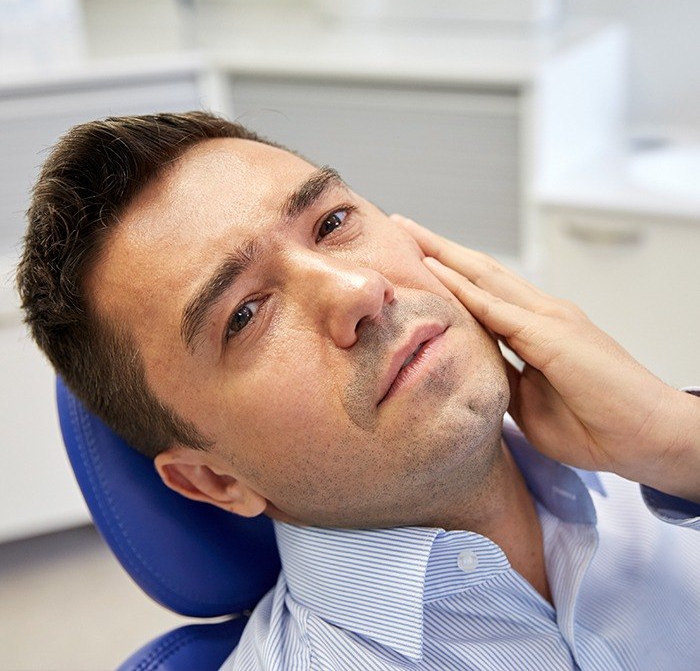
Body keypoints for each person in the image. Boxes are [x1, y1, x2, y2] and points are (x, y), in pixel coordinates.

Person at [17, 111, 700, 670]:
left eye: (333, 224)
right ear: (213, 482)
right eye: (246, 316)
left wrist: (677, 441)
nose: (360, 292)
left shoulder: (666, 466)